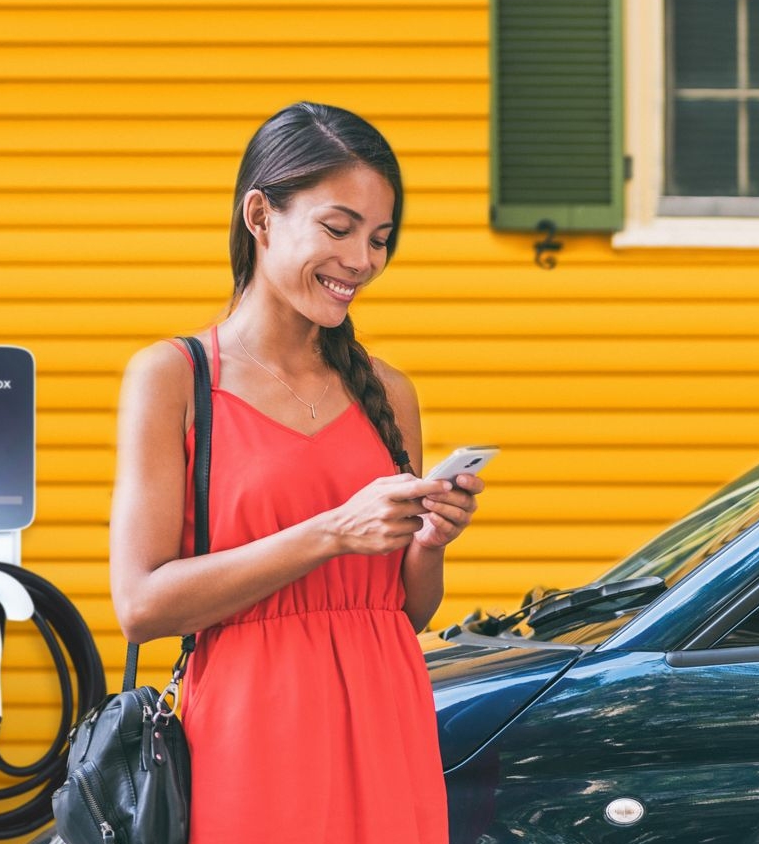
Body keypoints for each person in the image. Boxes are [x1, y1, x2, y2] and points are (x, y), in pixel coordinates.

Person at [108, 101, 480, 843]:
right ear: (260, 216)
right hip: (249, 737)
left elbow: (405, 614)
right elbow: (142, 606)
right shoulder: (174, 378)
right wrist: (333, 532)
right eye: (338, 229)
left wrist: (429, 541)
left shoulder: (389, 392)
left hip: (387, 723)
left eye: (379, 239)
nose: (362, 261)